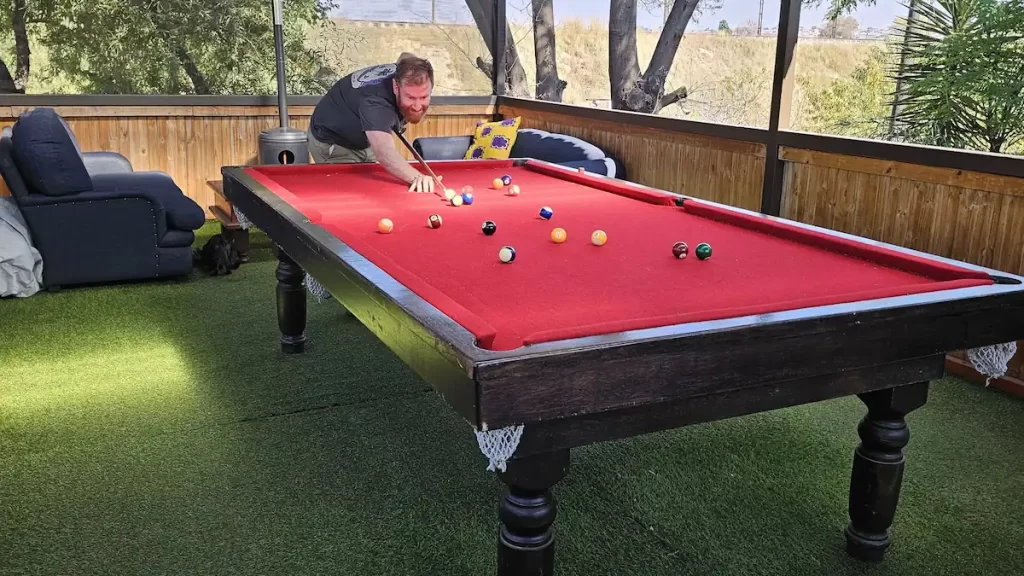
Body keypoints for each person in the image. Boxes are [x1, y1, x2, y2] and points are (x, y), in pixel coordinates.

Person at [307, 54, 441, 193]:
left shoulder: (404, 69)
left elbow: (405, 56)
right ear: (396, 86)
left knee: (374, 185)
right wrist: (417, 177)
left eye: (424, 97)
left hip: (364, 137)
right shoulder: (376, 103)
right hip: (333, 141)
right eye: (410, 97)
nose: (417, 106)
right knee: (353, 193)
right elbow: (384, 152)